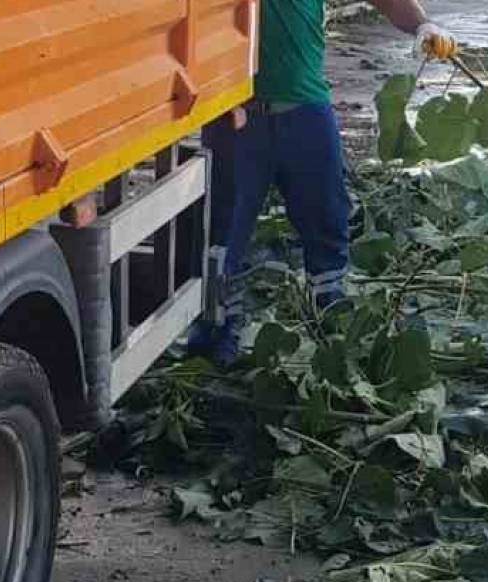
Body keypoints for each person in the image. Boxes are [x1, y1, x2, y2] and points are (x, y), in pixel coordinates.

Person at [192, 0, 457, 364]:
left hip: (306, 112)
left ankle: (333, 324)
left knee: (327, 217)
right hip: (234, 117)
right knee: (223, 233)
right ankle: (217, 337)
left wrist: (423, 25)